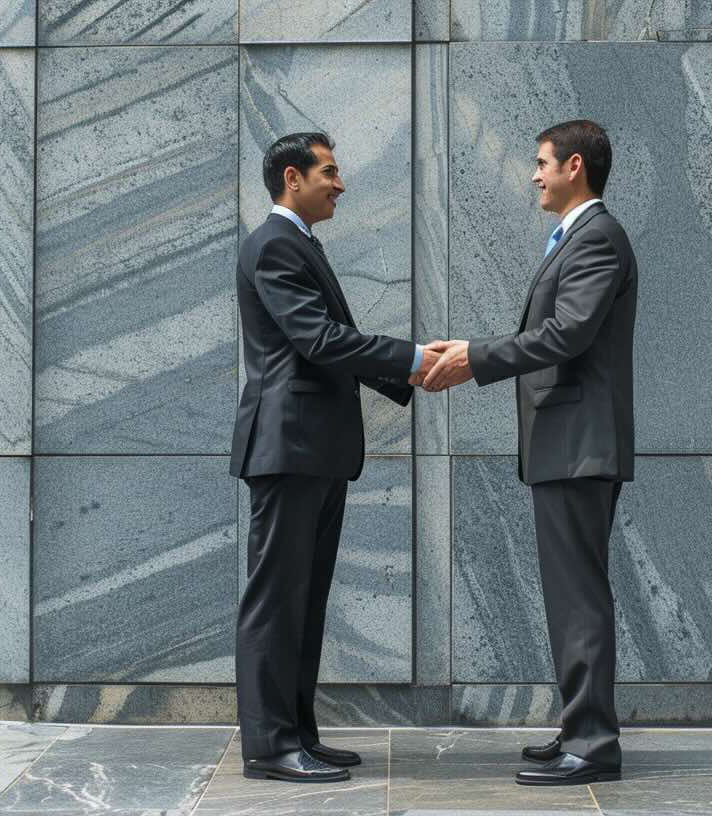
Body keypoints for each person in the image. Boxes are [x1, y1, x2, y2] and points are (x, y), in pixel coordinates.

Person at [421, 119, 637, 786]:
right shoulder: (578, 238)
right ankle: (580, 726)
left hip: (579, 447)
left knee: (579, 599)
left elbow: (567, 333)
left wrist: (476, 359)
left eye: (543, 163)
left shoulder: (598, 237)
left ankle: (594, 744)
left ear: (576, 166)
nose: (534, 175)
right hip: (566, 447)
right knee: (571, 597)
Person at [231, 132, 439, 783]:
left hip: (312, 450)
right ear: (292, 178)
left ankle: (297, 734)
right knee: (276, 600)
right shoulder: (273, 246)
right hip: (288, 447)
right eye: (330, 171)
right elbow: (318, 340)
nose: (340, 183)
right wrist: (410, 361)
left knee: (305, 598)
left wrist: (403, 367)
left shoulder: (295, 245)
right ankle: (270, 747)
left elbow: (324, 341)